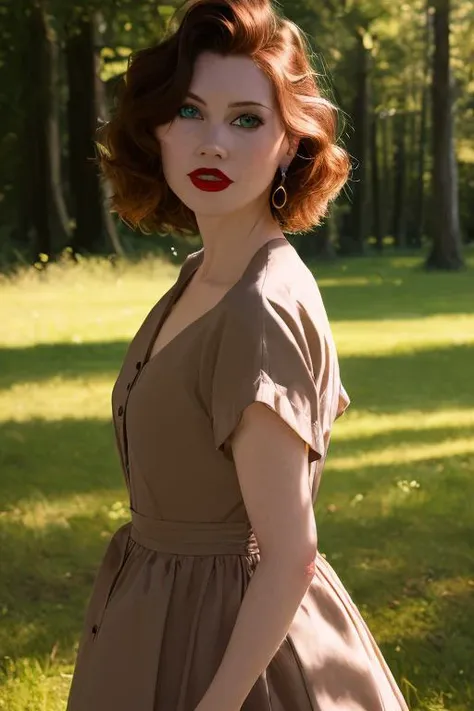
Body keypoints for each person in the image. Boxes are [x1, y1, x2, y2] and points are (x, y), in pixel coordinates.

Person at [66, 1, 409, 709]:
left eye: (246, 119)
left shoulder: (259, 306)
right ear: (156, 129)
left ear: (291, 142)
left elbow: (289, 555)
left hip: (227, 647)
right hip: (154, 613)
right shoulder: (202, 272)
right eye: (190, 112)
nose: (212, 143)